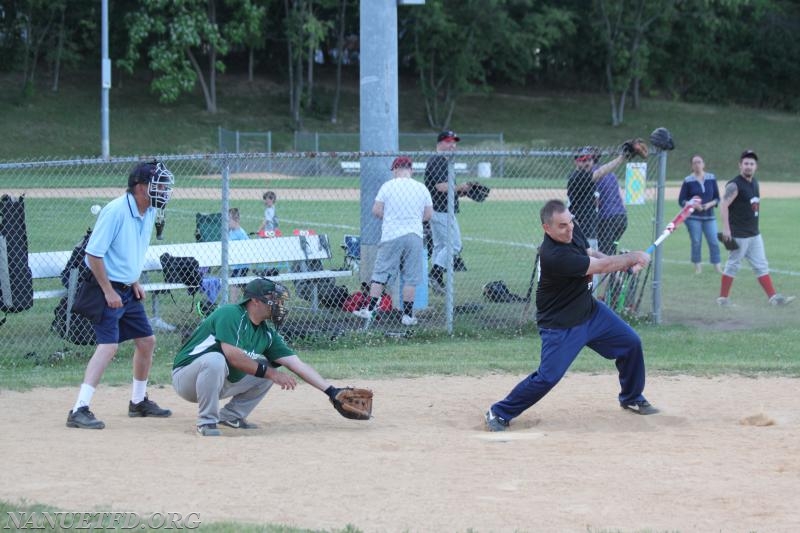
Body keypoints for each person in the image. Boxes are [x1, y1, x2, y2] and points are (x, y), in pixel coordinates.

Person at [484, 199, 658, 432]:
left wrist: (624, 265)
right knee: (548, 377)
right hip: (561, 325)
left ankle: (631, 396)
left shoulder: (572, 231)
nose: (569, 229)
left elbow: (591, 255)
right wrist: (633, 257)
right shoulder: (553, 255)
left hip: (590, 311)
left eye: (570, 222)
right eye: (562, 226)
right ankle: (499, 411)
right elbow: (600, 267)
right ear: (547, 228)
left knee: (631, 343)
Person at [66, 160, 175, 429]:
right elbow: (93, 254)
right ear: (140, 187)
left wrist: (133, 280)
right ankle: (79, 409)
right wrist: (108, 290)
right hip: (106, 288)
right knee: (108, 346)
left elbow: (128, 250)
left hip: (127, 289)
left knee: (147, 341)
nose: (163, 190)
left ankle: (138, 402)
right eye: (158, 185)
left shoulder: (148, 211)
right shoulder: (115, 211)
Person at [171, 278, 355, 436]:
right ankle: (206, 422)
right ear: (255, 301)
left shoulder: (266, 334)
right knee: (217, 360)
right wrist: (270, 374)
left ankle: (231, 417)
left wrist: (331, 391)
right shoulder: (230, 314)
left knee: (269, 367)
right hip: (187, 378)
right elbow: (233, 357)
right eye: (273, 300)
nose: (278, 305)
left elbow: (295, 363)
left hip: (219, 381)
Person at [353, 156, 433, 326]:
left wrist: (391, 217)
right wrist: (412, 220)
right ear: (411, 169)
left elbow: (376, 210)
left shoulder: (388, 186)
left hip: (392, 234)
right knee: (410, 278)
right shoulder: (421, 188)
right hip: (414, 235)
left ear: (395, 169)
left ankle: (371, 309)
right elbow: (428, 215)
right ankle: (408, 315)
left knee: (381, 274)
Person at [718, 150, 794, 307]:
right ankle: (723, 299)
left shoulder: (754, 183)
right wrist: (726, 229)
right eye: (746, 163)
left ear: (756, 166)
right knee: (733, 265)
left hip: (754, 234)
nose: (748, 166)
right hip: (739, 234)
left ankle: (773, 298)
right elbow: (724, 204)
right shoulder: (735, 184)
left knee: (761, 265)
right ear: (740, 165)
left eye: (751, 164)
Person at [424, 130, 473, 293]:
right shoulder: (438, 160)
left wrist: (464, 191)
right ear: (440, 143)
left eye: (454, 142)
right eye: (448, 141)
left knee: (440, 246)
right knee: (455, 245)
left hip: (440, 209)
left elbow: (448, 189)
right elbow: (440, 186)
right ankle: (435, 275)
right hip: (440, 211)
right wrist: (460, 187)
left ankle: (436, 282)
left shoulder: (446, 161)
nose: (452, 145)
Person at [567, 146, 626, 252]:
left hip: (590, 229)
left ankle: (614, 264)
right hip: (583, 231)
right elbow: (600, 173)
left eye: (589, 159)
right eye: (583, 160)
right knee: (597, 258)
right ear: (576, 162)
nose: (587, 163)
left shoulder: (588, 178)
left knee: (604, 253)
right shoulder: (578, 177)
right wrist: (622, 157)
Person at [678, 155, 722, 274]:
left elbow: (717, 198)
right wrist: (692, 204)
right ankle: (698, 267)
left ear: (703, 164)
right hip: (693, 218)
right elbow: (681, 200)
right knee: (696, 241)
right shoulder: (688, 180)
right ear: (692, 166)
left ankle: (717, 266)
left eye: (699, 162)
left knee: (714, 241)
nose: (697, 165)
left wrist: (709, 205)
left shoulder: (711, 178)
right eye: (695, 163)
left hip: (709, 216)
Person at [595, 157, 628, 256]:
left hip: (607, 218)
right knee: (613, 245)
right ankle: (617, 264)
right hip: (622, 218)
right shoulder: (611, 174)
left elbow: (596, 200)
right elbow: (620, 195)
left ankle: (611, 269)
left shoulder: (594, 175)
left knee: (605, 250)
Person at [227, 207, 249, 302]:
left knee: (234, 283)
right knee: (242, 285)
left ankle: (233, 304)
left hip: (241, 265)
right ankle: (251, 300)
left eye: (228, 220)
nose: (226, 223)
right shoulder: (230, 232)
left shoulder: (241, 234)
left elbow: (247, 249)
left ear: (235, 220)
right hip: (235, 264)